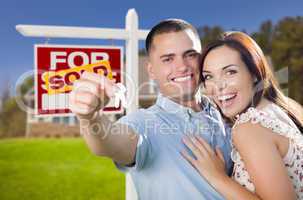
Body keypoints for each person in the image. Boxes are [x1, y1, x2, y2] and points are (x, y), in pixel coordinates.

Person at [69, 19, 233, 199]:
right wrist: (90, 118)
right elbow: (109, 143)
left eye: (190, 54)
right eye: (168, 59)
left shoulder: (224, 110)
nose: (182, 66)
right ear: (151, 70)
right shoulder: (144, 123)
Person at [182, 31, 303, 200]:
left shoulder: (249, 128)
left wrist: (217, 177)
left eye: (230, 72)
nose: (218, 86)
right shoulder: (285, 108)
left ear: (254, 73)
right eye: (209, 76)